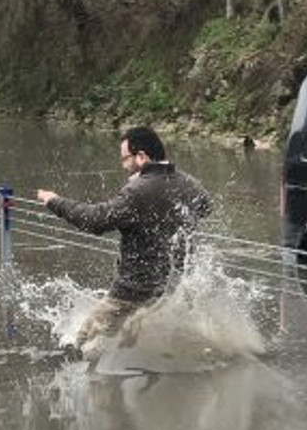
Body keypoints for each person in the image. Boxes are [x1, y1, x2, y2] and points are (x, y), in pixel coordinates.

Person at [36, 126, 212, 355]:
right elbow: (206, 207)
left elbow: (95, 220)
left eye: (125, 159)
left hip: (130, 294)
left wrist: (54, 201)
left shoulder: (137, 191)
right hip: (170, 289)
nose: (124, 166)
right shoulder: (188, 184)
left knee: (82, 347)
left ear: (141, 157)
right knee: (144, 352)